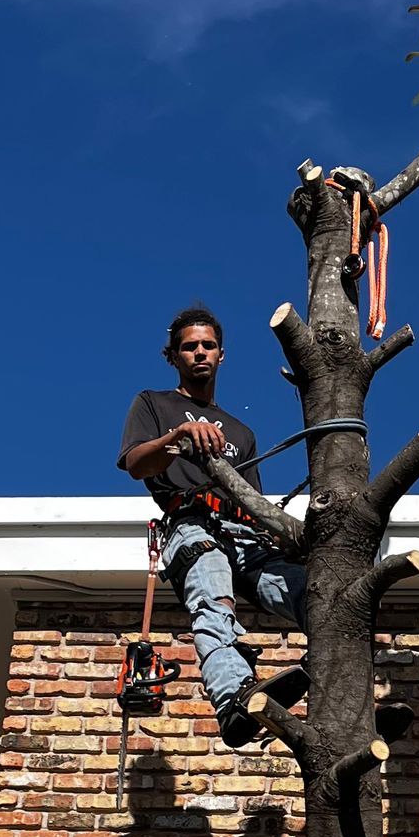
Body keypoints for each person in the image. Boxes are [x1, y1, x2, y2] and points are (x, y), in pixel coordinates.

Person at [118, 302, 308, 748]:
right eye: (189, 347)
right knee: (213, 597)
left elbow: (256, 505)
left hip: (247, 537)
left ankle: (339, 681)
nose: (199, 352)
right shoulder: (154, 404)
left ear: (222, 354)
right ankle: (233, 700)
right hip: (193, 525)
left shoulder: (241, 433)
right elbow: (135, 464)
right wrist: (177, 438)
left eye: (208, 345)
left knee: (315, 595)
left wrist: (289, 541)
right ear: (173, 357)